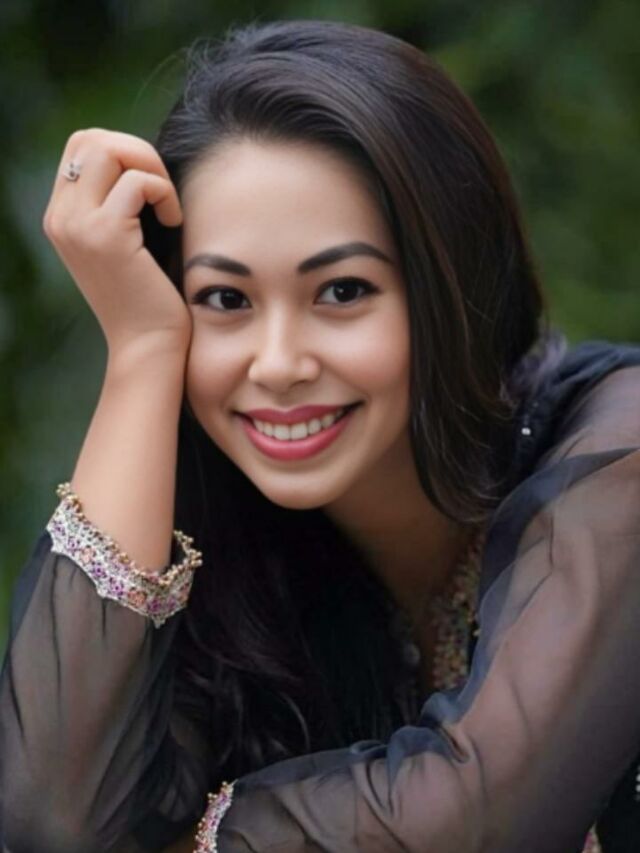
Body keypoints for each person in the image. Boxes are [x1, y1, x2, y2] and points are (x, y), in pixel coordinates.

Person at [1, 18, 639, 853]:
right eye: (225, 299)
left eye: (341, 291)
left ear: (452, 285)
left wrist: (189, 841)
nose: (278, 364)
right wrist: (144, 350)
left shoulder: (616, 453)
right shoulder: (246, 568)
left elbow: (484, 816)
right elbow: (57, 818)